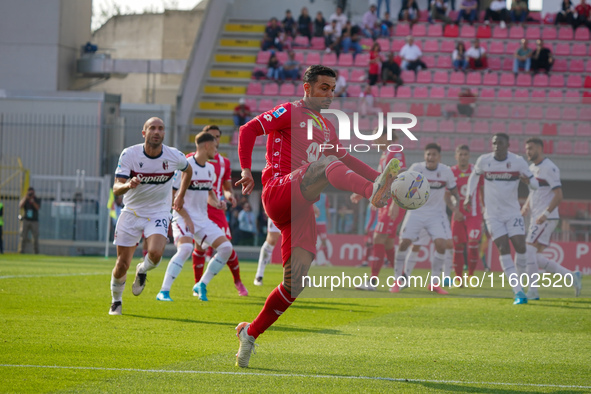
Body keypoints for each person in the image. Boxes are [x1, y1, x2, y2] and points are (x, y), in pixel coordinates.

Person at [234, 65, 401, 368]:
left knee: (294, 283)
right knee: (323, 163)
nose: (329, 94)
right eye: (323, 87)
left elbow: (345, 157)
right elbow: (248, 130)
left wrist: (384, 178)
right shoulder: (288, 111)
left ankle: (250, 333)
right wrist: (246, 170)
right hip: (278, 191)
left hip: (300, 208)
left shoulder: (326, 126)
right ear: (307, 87)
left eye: (332, 89)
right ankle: (371, 193)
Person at [108, 117, 191, 316]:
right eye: (152, 128)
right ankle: (116, 301)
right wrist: (128, 184)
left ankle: (142, 269)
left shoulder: (174, 156)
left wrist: (180, 195)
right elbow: (116, 187)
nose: (157, 131)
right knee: (121, 265)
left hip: (158, 213)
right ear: (144, 133)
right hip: (131, 212)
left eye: (160, 128)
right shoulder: (130, 154)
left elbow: (188, 170)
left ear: (164, 133)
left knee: (155, 253)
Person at [156, 132, 232, 302]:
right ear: (206, 146)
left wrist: (218, 203)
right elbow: (173, 197)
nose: (216, 150)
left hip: (202, 219)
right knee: (185, 249)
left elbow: (209, 195)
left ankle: (201, 284)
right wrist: (187, 218)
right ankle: (164, 291)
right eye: (214, 146)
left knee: (226, 248)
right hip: (183, 216)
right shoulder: (186, 165)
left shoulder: (210, 169)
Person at [464, 133, 539, 305]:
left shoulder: (518, 161)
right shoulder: (484, 160)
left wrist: (529, 182)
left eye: (501, 143)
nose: (497, 146)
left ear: (508, 145)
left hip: (512, 213)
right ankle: (518, 291)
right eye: (494, 143)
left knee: (521, 247)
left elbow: (535, 184)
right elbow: (474, 176)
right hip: (492, 215)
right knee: (503, 248)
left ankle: (519, 283)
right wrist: (469, 195)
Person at [394, 143, 461, 294]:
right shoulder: (416, 169)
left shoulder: (446, 171)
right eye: (428, 154)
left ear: (439, 157)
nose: (431, 157)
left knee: (441, 244)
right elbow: (401, 184)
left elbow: (454, 192)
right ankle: (398, 280)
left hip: (437, 215)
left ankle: (434, 283)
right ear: (425, 156)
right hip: (416, 212)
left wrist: (456, 208)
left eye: (434, 155)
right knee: (404, 243)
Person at [190, 125, 248, 298]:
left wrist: (230, 196)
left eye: (217, 136)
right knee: (198, 248)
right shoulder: (190, 160)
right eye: (211, 136)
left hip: (216, 209)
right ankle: (197, 284)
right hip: (199, 209)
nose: (215, 139)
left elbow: (227, 188)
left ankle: (237, 281)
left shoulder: (224, 162)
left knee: (227, 247)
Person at [522, 138, 582, 299]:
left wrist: (545, 214)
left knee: (528, 251)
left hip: (546, 217)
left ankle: (533, 291)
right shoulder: (532, 168)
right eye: (527, 148)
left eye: (531, 148)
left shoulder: (549, 168)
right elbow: (534, 191)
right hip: (536, 217)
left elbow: (559, 195)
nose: (528, 151)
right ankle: (571, 276)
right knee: (534, 256)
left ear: (540, 149)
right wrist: (526, 206)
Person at [353, 132, 406, 290]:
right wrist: (364, 192)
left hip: (392, 202)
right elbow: (382, 180)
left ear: (386, 136)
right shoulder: (385, 154)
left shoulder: (395, 149)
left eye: (376, 136)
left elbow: (399, 175)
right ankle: (401, 277)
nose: (373, 139)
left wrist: (395, 203)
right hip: (386, 201)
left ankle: (373, 282)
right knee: (387, 241)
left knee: (378, 238)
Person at [450, 145, 484, 279]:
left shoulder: (476, 171)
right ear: (456, 156)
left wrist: (484, 207)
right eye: (460, 154)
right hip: (458, 215)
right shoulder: (451, 172)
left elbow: (482, 190)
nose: (463, 157)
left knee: (473, 244)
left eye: (465, 154)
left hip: (474, 215)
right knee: (457, 246)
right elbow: (447, 195)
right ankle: (458, 278)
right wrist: (454, 210)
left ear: (469, 156)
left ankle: (470, 276)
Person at [254, 217, 281, 286]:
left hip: (296, 211)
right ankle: (259, 275)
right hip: (278, 210)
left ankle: (303, 277)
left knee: (299, 241)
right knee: (271, 241)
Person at [18, 187, 41, 254]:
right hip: (26, 220)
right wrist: (26, 198)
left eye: (32, 193)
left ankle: (36, 252)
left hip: (34, 221)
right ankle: (21, 251)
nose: (31, 194)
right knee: (23, 237)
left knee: (35, 238)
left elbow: (37, 208)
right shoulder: (26, 199)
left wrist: (32, 201)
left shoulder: (36, 199)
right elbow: (20, 206)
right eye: (30, 193)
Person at [314, 193, 332, 266]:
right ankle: (315, 261)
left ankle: (327, 260)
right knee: (313, 242)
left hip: (322, 222)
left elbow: (327, 209)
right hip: (313, 221)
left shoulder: (324, 197)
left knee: (324, 241)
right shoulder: (311, 194)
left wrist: (329, 221)